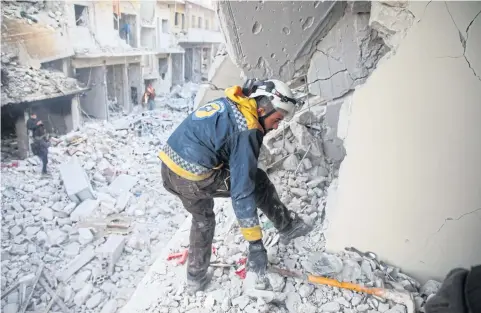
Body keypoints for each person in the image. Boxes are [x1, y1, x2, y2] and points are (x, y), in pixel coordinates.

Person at [159, 79, 312, 293]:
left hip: (169, 168)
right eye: (277, 119)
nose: (277, 126)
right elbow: (242, 190)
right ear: (262, 109)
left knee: (203, 219)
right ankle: (288, 227)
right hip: (194, 176)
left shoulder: (232, 102)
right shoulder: (248, 129)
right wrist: (255, 244)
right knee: (258, 182)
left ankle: (195, 278)